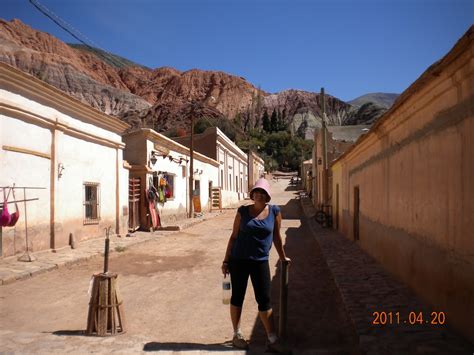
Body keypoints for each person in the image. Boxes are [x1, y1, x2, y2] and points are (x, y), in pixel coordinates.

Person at [221, 177, 291, 352]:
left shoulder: (275, 211)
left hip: (260, 261)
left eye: (263, 193)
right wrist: (226, 260)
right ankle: (237, 334)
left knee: (264, 300)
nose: (259, 195)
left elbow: (276, 237)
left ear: (267, 196)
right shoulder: (242, 212)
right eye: (256, 192)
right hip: (239, 260)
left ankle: (272, 339)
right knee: (237, 296)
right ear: (252, 194)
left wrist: (283, 257)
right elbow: (234, 237)